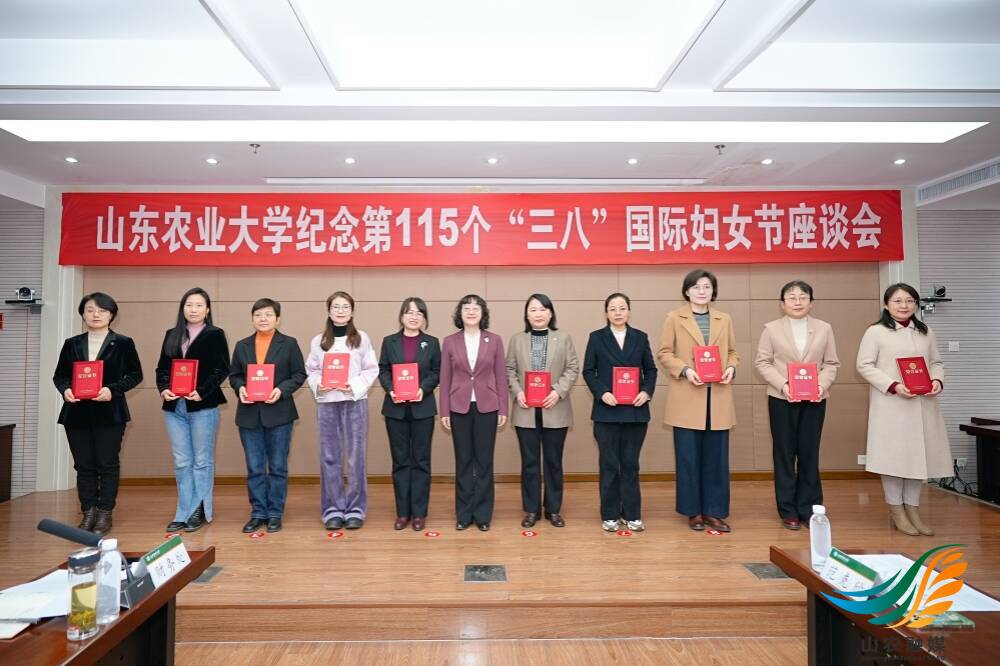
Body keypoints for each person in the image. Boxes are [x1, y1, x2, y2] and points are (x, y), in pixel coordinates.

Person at [857, 283, 949, 536]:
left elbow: (936, 362)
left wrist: (937, 381)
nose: (904, 305)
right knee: (894, 460)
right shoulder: (876, 332)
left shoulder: (925, 332)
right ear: (886, 305)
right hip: (892, 405)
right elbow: (864, 365)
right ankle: (896, 510)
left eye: (909, 300)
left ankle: (913, 509)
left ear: (916, 304)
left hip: (923, 404)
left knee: (917, 458)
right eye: (897, 301)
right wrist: (893, 386)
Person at [52, 292, 142, 535]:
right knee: (83, 465)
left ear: (111, 315)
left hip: (110, 413)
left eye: (102, 310)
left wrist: (112, 390)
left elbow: (135, 375)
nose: (96, 315)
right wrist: (65, 389)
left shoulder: (123, 342)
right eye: (90, 310)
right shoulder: (72, 343)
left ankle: (104, 512)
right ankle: (88, 511)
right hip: (76, 413)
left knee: (107, 464)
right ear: (83, 314)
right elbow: (60, 375)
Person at [657, 269, 740, 533]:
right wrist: (685, 370)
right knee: (688, 458)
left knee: (717, 459)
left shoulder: (724, 319)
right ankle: (693, 512)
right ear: (687, 291)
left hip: (718, 396)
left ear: (713, 291)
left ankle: (714, 511)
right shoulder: (674, 317)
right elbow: (664, 353)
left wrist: (731, 367)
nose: (701, 291)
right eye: (696, 287)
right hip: (687, 395)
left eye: (706, 286)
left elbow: (732, 352)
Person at [754, 280, 840, 530]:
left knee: (809, 453)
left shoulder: (824, 328)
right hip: (782, 398)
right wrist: (784, 385)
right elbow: (762, 362)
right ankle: (788, 510)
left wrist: (820, 386)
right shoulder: (771, 329)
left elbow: (831, 363)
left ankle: (810, 508)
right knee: (784, 453)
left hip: (815, 399)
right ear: (782, 304)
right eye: (791, 297)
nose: (798, 301)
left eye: (803, 297)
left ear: (811, 302)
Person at [155, 287, 231, 533]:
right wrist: (164, 388)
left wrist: (202, 391)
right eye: (189, 305)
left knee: (201, 460)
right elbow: (162, 368)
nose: (194, 309)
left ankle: (199, 509)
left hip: (202, 405)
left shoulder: (215, 334)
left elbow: (222, 368)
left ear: (207, 310)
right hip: (174, 406)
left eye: (199, 305)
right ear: (182, 308)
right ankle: (183, 511)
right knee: (182, 461)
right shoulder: (172, 334)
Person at [229, 298, 306, 534]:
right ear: (252, 319)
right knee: (254, 467)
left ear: (277, 319)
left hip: (279, 414)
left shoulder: (289, 344)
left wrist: (281, 390)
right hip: (249, 415)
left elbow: (299, 374)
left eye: (268, 315)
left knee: (278, 467)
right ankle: (258, 513)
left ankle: (274, 513)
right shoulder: (242, 345)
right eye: (258, 315)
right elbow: (234, 376)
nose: (263, 319)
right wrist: (240, 388)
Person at [582, 292, 656, 532]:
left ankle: (633, 513)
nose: (617, 312)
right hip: (607, 411)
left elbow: (651, 370)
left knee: (631, 464)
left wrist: (646, 391)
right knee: (609, 464)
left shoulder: (640, 337)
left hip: (635, 411)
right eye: (612, 308)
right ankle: (610, 514)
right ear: (606, 313)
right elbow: (588, 371)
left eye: (622, 308)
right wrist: (602, 392)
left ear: (629, 311)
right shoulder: (596, 338)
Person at [306, 291, 378, 531]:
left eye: (345, 306)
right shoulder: (318, 341)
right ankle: (332, 510)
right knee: (330, 457)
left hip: (354, 402)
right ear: (329, 311)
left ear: (352, 311)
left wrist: (353, 385)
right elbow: (312, 370)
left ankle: (356, 510)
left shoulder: (362, 338)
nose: (340, 310)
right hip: (327, 403)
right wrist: (321, 384)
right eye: (336, 306)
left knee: (356, 457)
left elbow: (371, 369)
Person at [505, 293, 580, 528]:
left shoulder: (563, 337)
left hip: (555, 408)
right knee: (529, 463)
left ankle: (553, 510)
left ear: (550, 313)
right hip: (525, 410)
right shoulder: (517, 339)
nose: (538, 314)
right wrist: (518, 392)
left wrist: (557, 392)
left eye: (542, 309)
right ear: (527, 315)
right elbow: (509, 370)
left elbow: (572, 368)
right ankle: (531, 510)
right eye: (533, 310)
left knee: (553, 462)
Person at [439, 294, 508, 532]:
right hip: (458, 406)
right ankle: (464, 514)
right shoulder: (450, 341)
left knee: (484, 462)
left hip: (487, 406)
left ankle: (483, 515)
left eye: (476, 308)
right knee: (463, 461)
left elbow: (501, 376)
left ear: (483, 313)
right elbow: (445, 378)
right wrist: (444, 410)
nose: (471, 311)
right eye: (466, 308)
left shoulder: (494, 340)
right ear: (460, 313)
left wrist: (503, 407)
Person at [378, 297, 441, 532]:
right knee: (400, 461)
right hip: (395, 409)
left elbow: (437, 372)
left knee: (421, 461)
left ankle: (419, 513)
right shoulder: (389, 341)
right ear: (402, 316)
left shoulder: (432, 343)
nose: (414, 317)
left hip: (423, 408)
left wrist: (422, 389)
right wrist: (391, 389)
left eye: (419, 313)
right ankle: (403, 512)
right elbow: (383, 370)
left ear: (424, 318)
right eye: (409, 312)